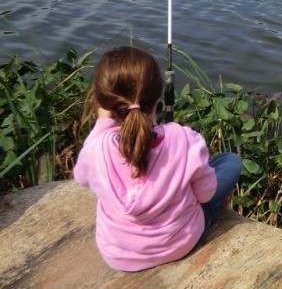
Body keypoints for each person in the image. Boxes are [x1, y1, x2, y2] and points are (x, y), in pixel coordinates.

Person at [73, 46, 242, 272]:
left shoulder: (96, 149)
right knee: (231, 161)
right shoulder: (185, 139)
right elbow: (205, 194)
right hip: (180, 243)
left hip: (117, 255)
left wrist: (102, 125)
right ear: (156, 99)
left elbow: (81, 178)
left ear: (104, 104)